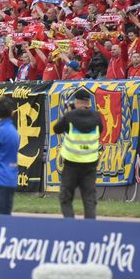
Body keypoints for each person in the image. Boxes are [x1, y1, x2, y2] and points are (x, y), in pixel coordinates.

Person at [52, 89, 103, 219]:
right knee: (89, 199)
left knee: (66, 197)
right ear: (88, 103)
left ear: (76, 101)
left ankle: (70, 227)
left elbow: (57, 129)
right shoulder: (97, 117)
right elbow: (100, 130)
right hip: (90, 165)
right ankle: (90, 229)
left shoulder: (70, 117)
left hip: (71, 164)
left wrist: (69, 113)